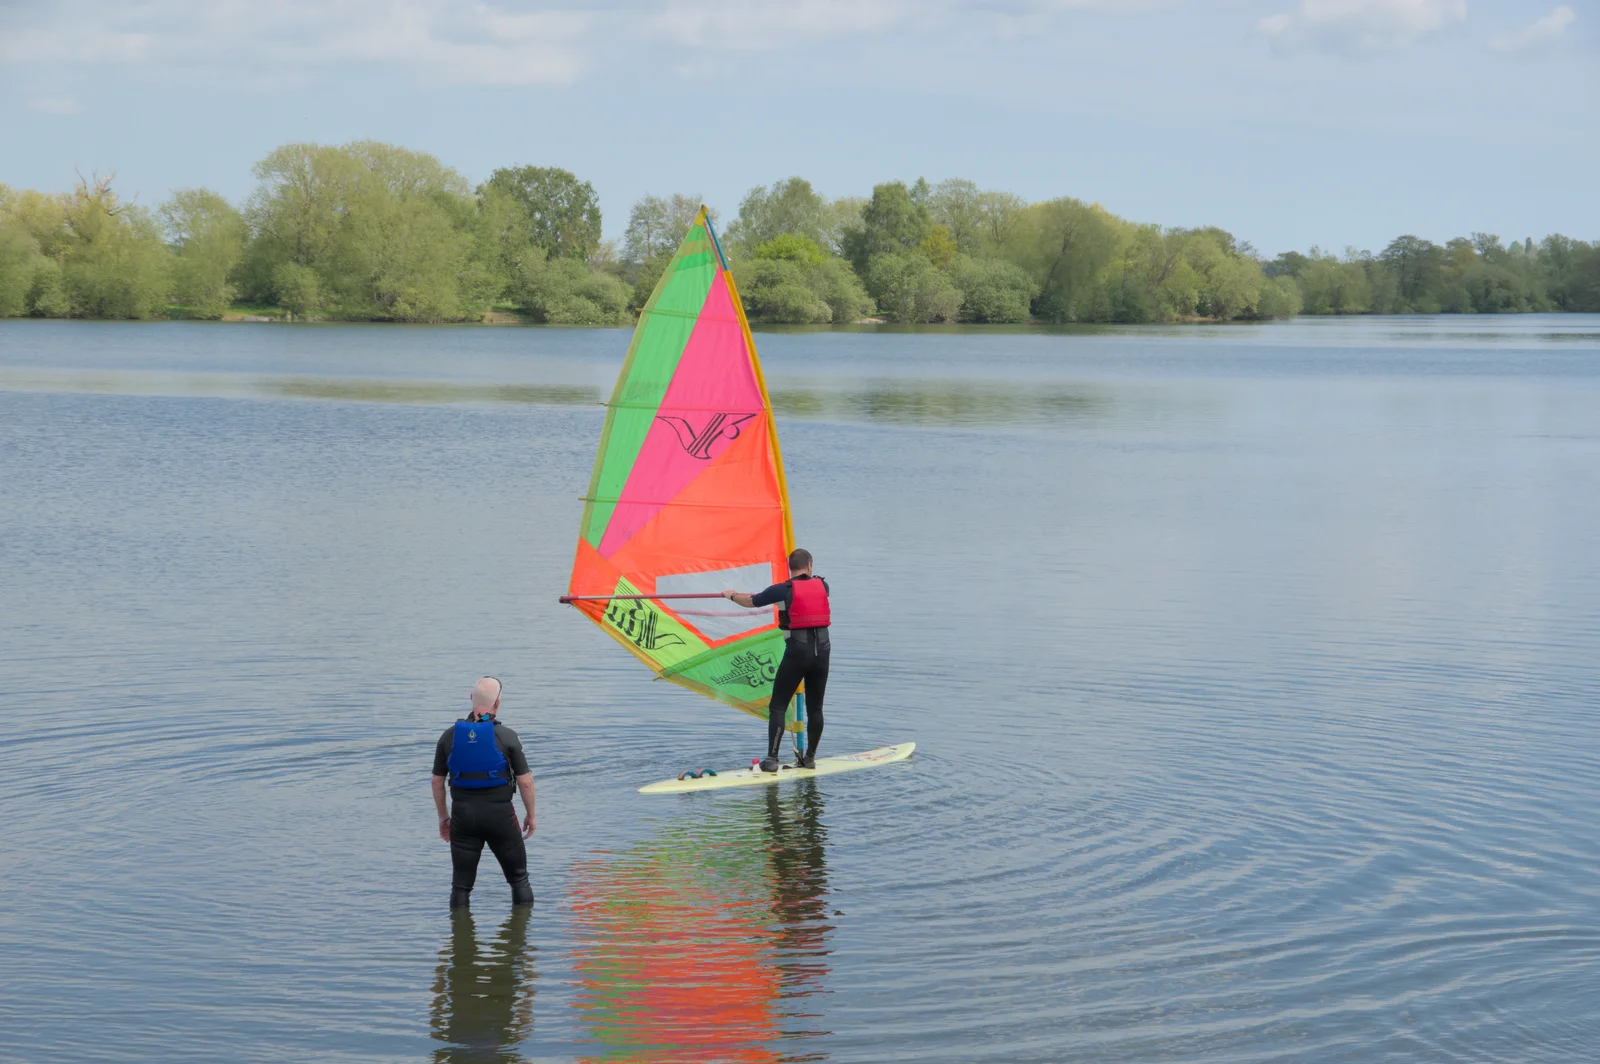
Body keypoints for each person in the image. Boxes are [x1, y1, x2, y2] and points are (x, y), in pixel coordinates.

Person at [432, 677, 536, 910]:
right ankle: (520, 938)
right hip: (501, 817)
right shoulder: (507, 736)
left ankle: (459, 940)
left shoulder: (449, 737)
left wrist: (443, 819)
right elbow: (525, 782)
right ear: (497, 703)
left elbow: (437, 782)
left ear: (471, 699)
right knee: (519, 879)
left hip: (463, 818)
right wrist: (531, 814)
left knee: (460, 886)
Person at [723, 548, 830, 773]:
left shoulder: (782, 590)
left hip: (797, 654)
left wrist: (731, 595)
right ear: (810, 565)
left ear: (789, 567)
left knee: (778, 705)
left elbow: (750, 601)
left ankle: (772, 760)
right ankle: (809, 758)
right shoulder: (824, 586)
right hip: (823, 652)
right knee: (816, 708)